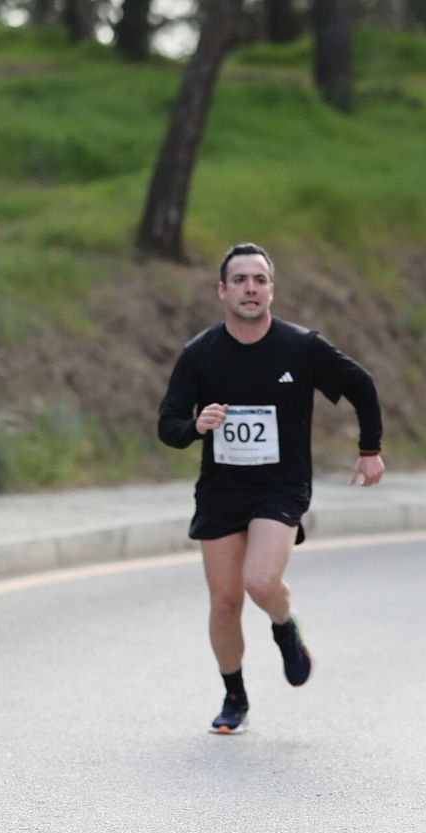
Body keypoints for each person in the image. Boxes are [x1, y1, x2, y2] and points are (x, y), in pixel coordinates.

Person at [157, 243, 385, 735]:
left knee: (260, 582)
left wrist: (370, 449)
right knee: (225, 602)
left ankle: (285, 624)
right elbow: (168, 425)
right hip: (221, 490)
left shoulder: (300, 347)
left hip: (281, 486)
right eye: (240, 280)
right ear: (222, 291)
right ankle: (234, 697)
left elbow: (361, 385)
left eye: (259, 280)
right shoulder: (201, 353)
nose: (250, 288)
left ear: (271, 290)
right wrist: (197, 425)